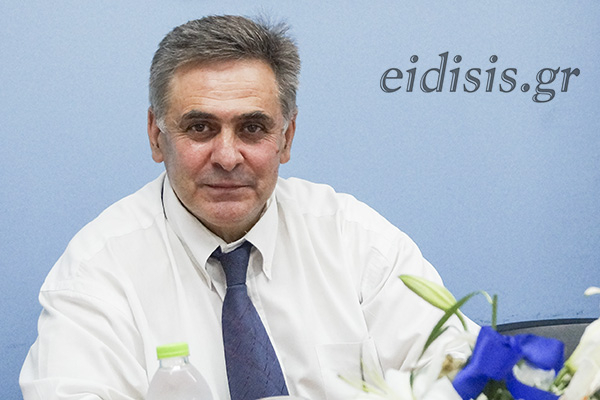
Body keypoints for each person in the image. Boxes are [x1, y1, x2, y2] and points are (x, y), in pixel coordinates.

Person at [20, 15, 473, 400]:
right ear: (157, 137)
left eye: (252, 128)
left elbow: (461, 371)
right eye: (200, 127)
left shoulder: (354, 239)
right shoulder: (98, 270)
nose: (227, 157)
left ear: (286, 138)